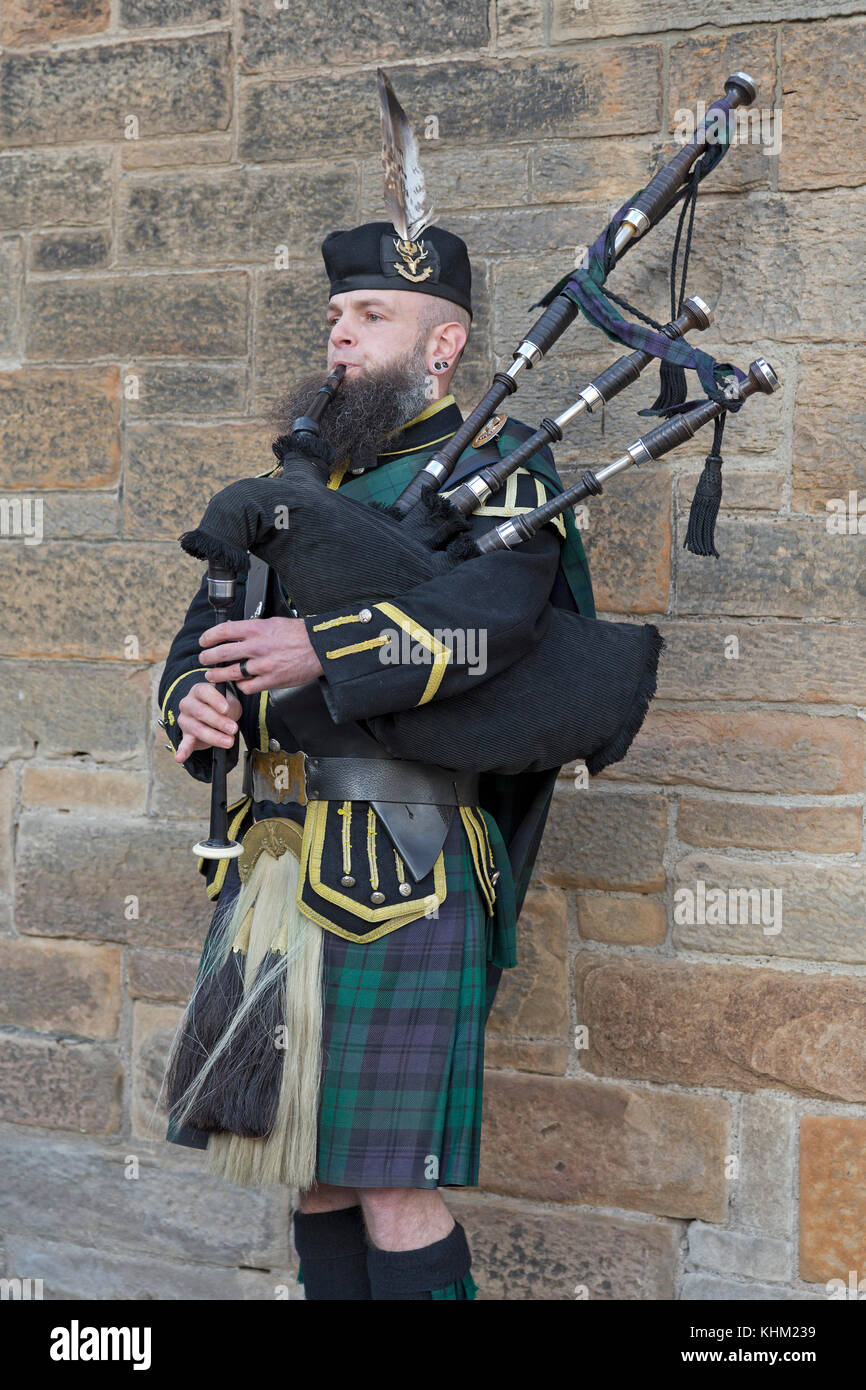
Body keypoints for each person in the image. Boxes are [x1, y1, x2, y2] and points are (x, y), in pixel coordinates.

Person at [157, 220, 595, 1301]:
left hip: (403, 863)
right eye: (334, 318)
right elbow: (194, 639)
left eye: (369, 316)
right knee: (308, 1172)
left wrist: (321, 645)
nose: (339, 338)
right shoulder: (290, 486)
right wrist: (194, 703)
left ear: (440, 346)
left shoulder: (498, 474)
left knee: (395, 1184)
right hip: (272, 860)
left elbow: (492, 623)